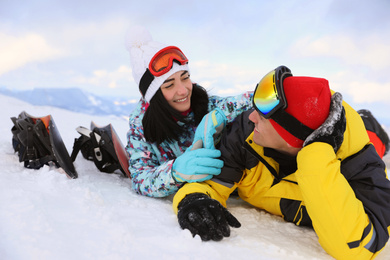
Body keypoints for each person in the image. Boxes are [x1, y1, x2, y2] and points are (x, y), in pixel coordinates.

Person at [172, 65, 390, 260]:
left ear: (290, 135)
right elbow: (210, 183)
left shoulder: (360, 166)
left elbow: (358, 248)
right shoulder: (246, 135)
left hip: (361, 140)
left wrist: (315, 160)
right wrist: (193, 198)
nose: (251, 117)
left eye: (262, 117)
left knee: (373, 138)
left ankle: (370, 124)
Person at [124, 26, 252, 197]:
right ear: (150, 96)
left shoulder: (203, 103)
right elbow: (140, 179)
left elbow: (252, 100)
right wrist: (175, 172)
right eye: (169, 85)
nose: (183, 90)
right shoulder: (141, 126)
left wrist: (221, 115)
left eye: (185, 78)